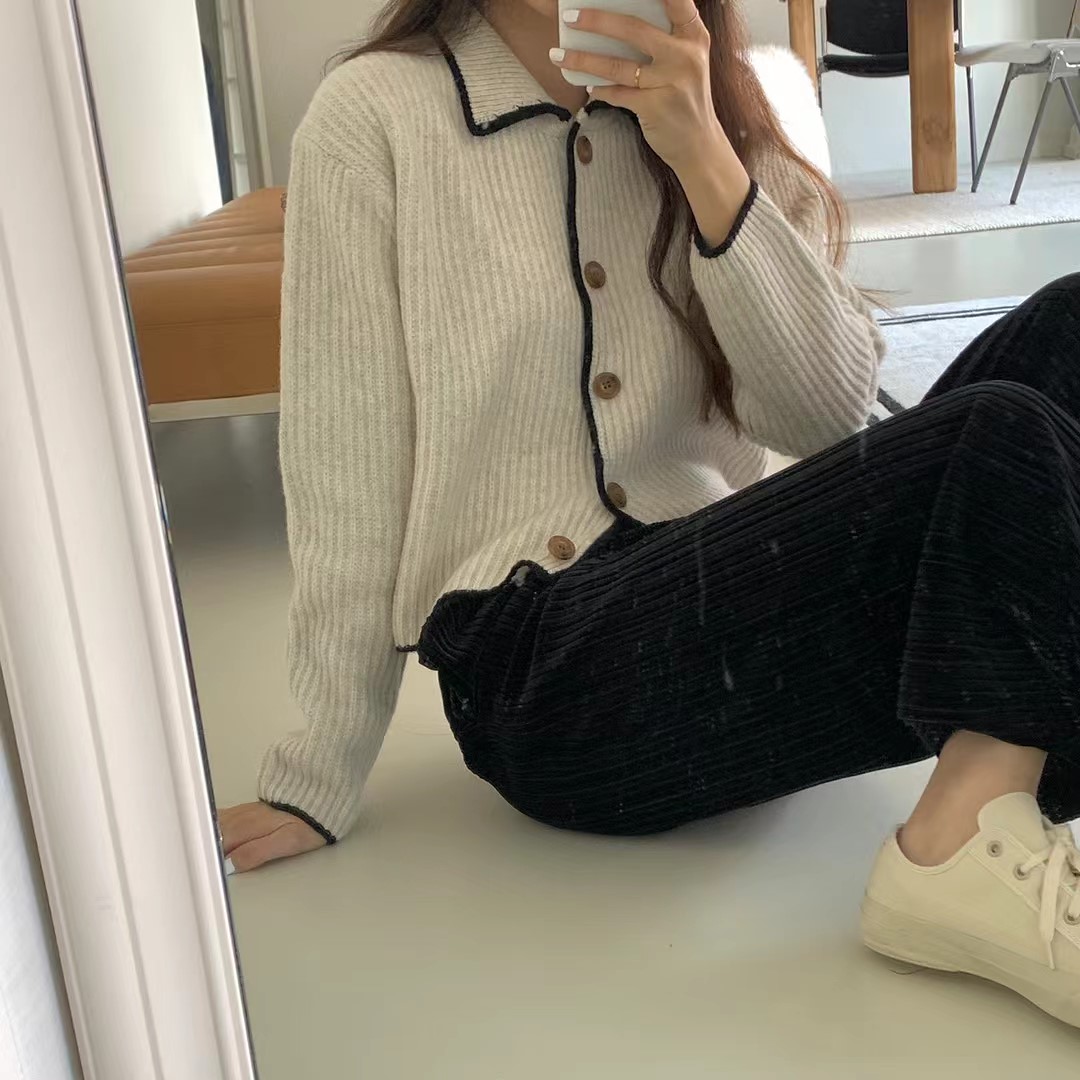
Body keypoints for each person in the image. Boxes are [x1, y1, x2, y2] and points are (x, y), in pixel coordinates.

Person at [220, 0, 1080, 1026]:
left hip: (727, 605)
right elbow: (346, 457)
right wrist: (319, 768)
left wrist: (704, 153)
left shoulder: (724, 103)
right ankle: (954, 853)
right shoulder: (376, 114)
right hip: (544, 670)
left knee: (1068, 330)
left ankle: (984, 803)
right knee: (997, 436)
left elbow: (824, 420)